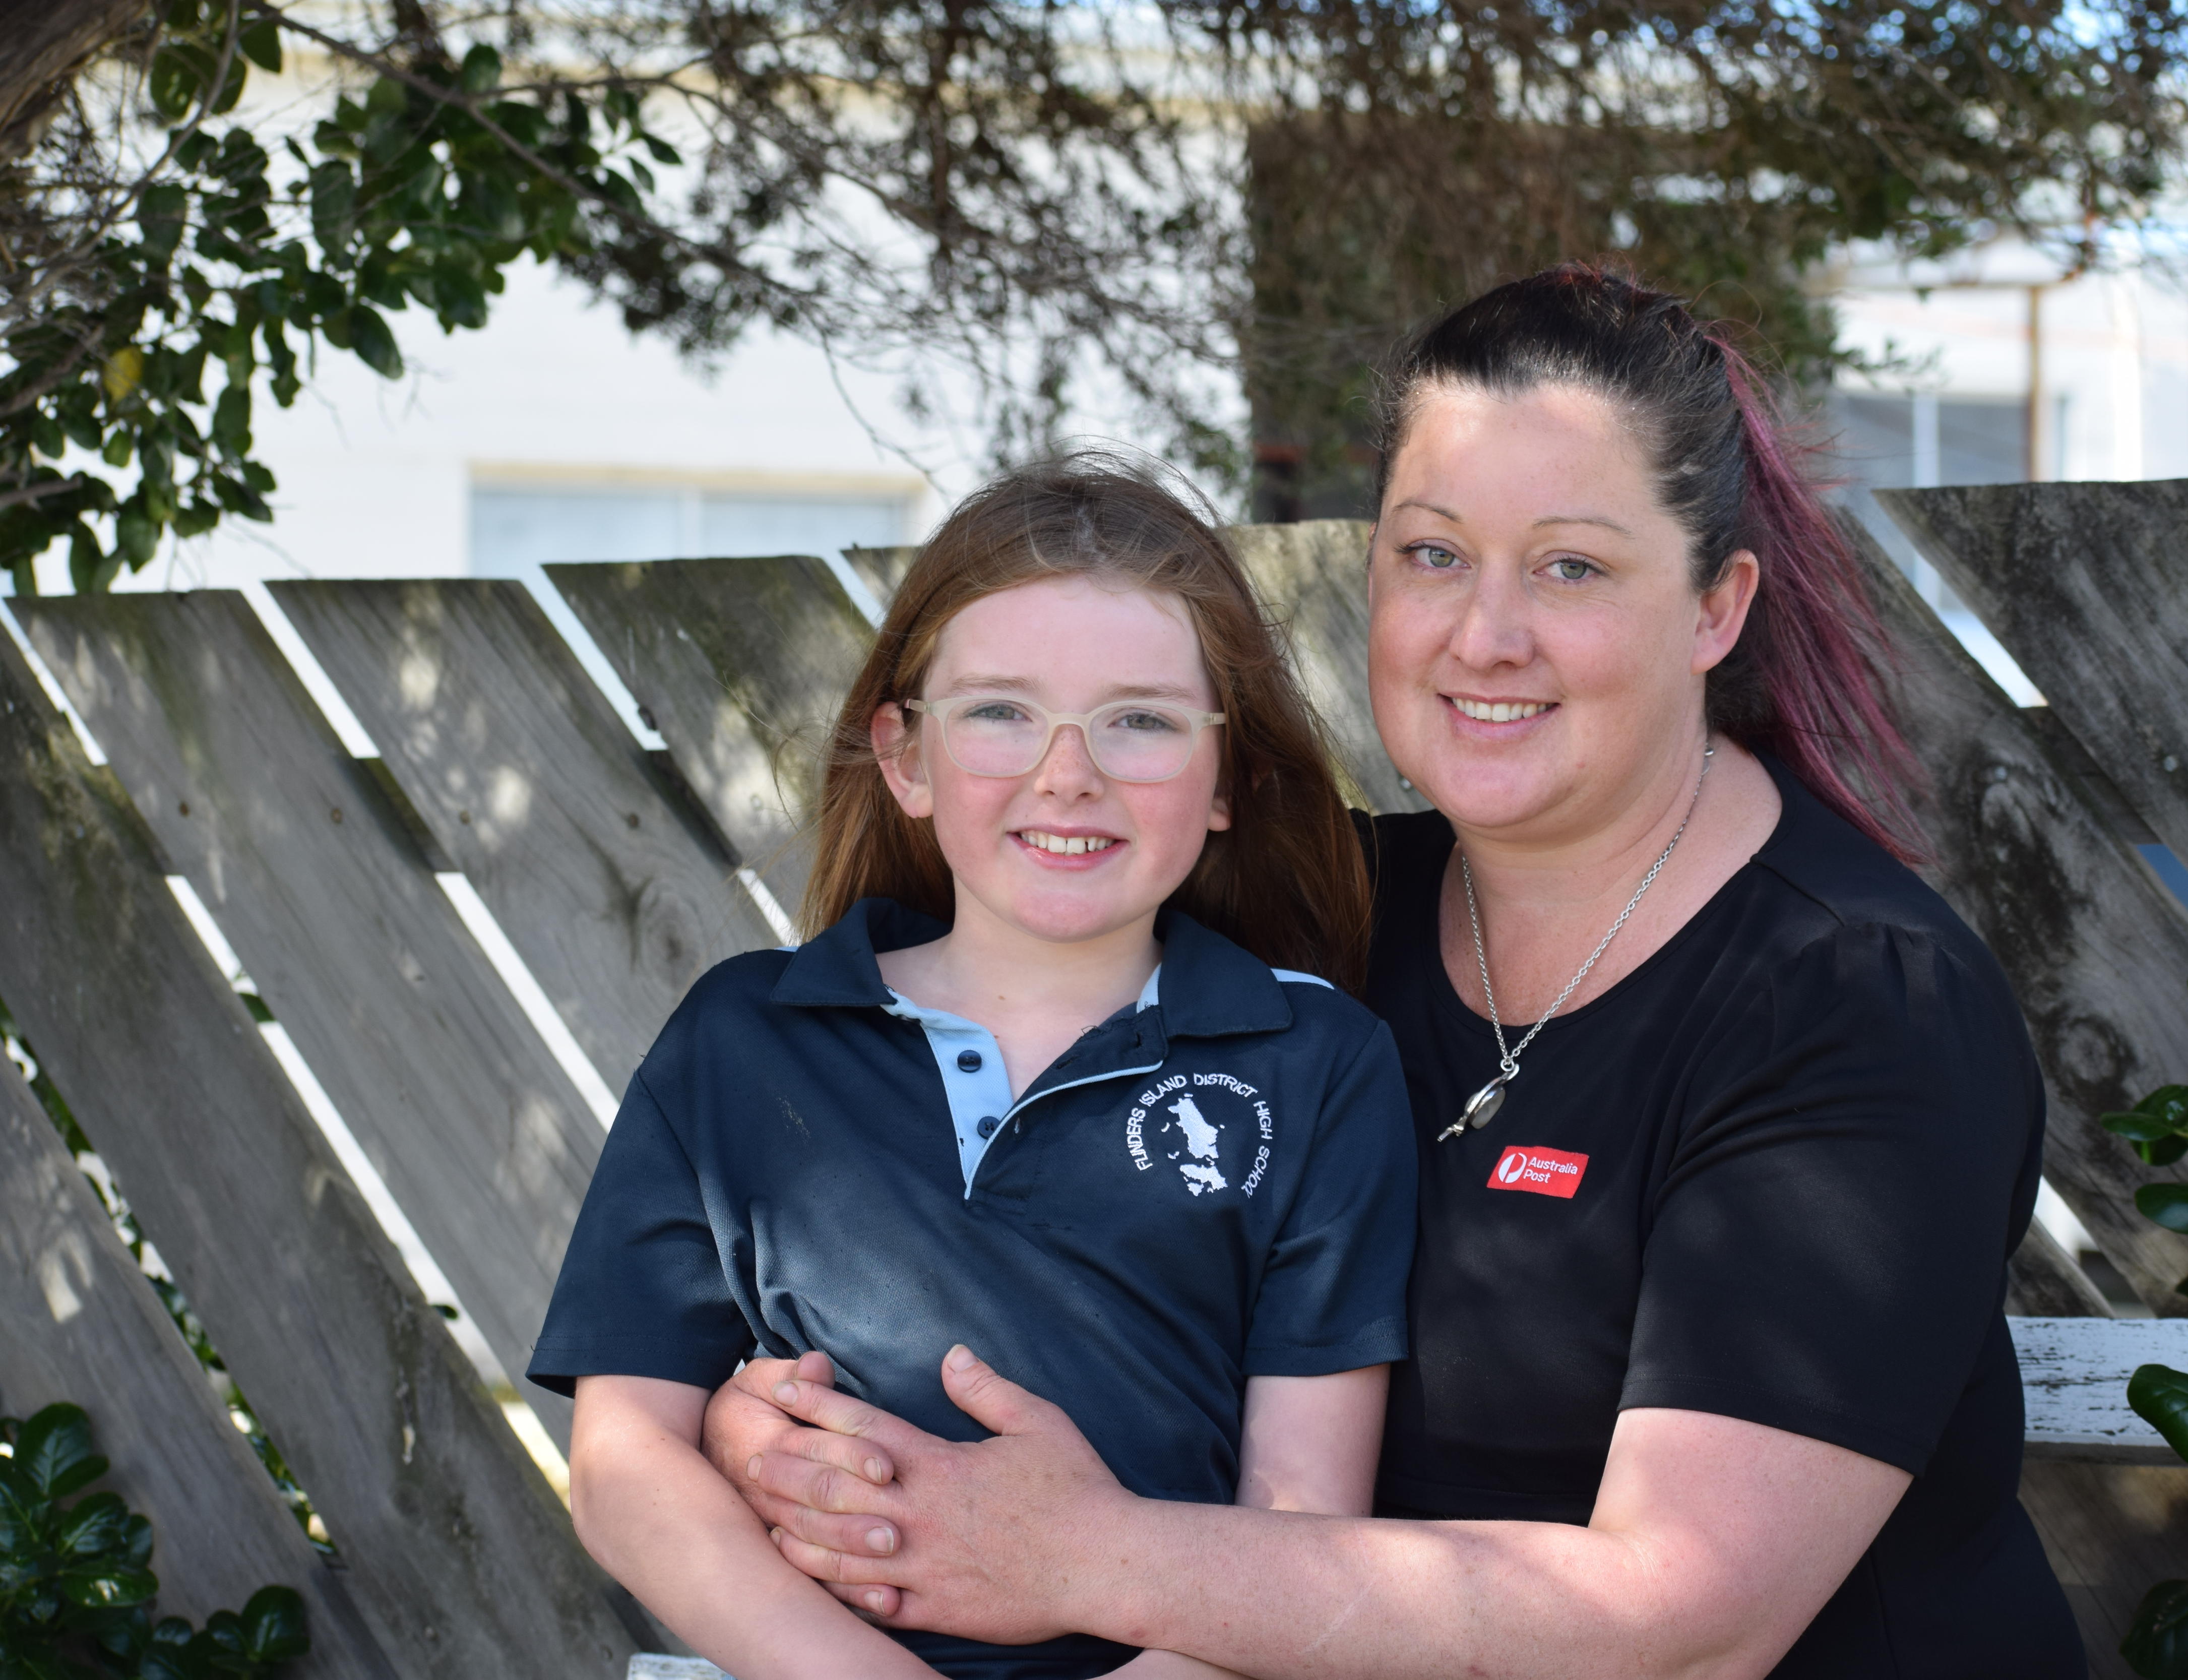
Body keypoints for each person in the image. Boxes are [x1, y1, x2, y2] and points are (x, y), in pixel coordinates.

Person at [702, 267, 2085, 1677]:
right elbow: (980, 1223)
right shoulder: (1306, 914)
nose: (1484, 634)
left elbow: (1685, 1623)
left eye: (1572, 566)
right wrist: (798, 1428)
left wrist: (1083, 1553)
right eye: (1433, 553)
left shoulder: (1855, 999)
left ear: (1716, 607)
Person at [529, 457, 1420, 1680]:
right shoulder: (742, 1037)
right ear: (903, 757)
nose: (1068, 771)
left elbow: (1304, 1522)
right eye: (1002, 709)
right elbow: (627, 1469)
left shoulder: (1314, 1063)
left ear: (1230, 780)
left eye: (1142, 719)